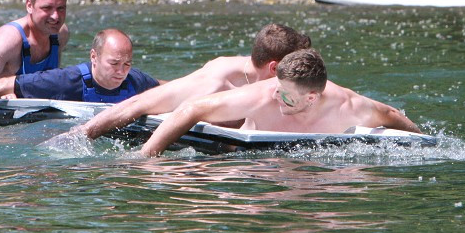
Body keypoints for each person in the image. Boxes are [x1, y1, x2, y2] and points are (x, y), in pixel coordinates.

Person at [138, 48, 419, 157]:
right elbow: (192, 108)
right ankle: (153, 84)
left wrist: (425, 140)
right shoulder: (263, 96)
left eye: (285, 94)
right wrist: (147, 156)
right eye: (277, 87)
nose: (276, 96)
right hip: (235, 150)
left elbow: (391, 115)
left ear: (311, 98)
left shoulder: (351, 108)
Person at [74, 22, 312, 141]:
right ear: (273, 67)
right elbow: (137, 105)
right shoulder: (215, 82)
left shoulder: (263, 78)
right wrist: (81, 135)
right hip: (142, 94)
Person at [0, 28, 158, 111]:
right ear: (94, 57)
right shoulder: (64, 81)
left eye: (126, 64)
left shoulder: (134, 80)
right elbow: (5, 84)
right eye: (114, 64)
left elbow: (167, 88)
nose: (121, 71)